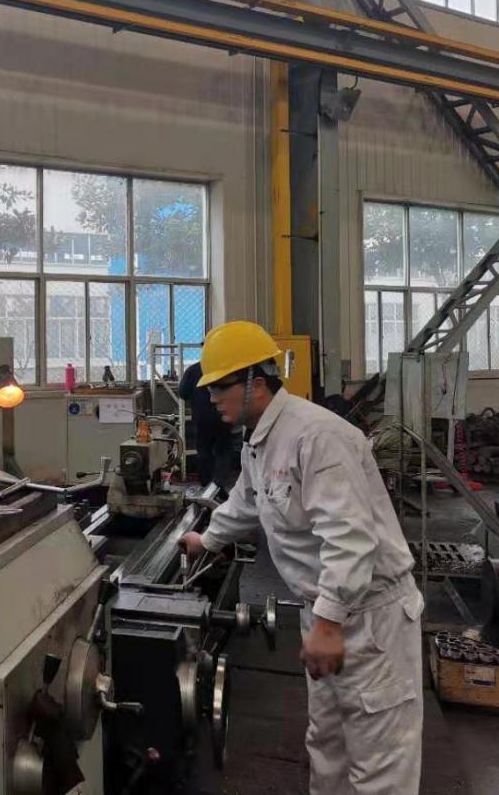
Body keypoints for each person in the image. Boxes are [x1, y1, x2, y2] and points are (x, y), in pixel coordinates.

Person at [179, 321, 421, 795]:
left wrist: (329, 623)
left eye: (220, 386)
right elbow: (248, 501)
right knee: (328, 748)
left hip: (368, 619)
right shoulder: (259, 440)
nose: (212, 399)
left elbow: (350, 538)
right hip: (325, 614)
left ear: (257, 381)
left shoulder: (317, 436)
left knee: (378, 763)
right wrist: (205, 541)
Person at [177, 360, 240, 489]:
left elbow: (183, 393)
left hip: (202, 418)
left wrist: (196, 396)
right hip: (224, 416)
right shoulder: (226, 367)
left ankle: (206, 485)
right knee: (224, 450)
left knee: (203, 450)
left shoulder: (193, 370)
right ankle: (218, 484)